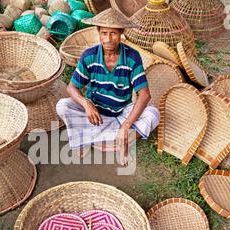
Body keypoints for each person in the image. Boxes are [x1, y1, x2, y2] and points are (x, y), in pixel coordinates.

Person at [56, 8, 160, 166]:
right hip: (95, 114)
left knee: (153, 114)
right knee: (63, 106)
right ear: (98, 32)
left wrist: (126, 125)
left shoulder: (132, 57)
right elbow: (71, 87)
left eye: (113, 33)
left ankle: (111, 137)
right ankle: (109, 138)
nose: (109, 39)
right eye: (104, 33)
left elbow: (144, 95)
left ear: (121, 33)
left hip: (121, 113)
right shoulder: (89, 56)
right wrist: (86, 104)